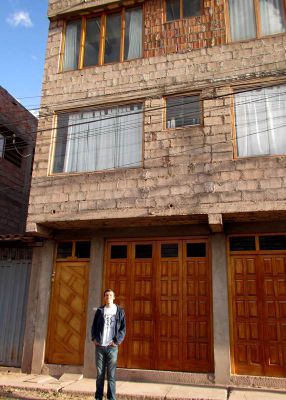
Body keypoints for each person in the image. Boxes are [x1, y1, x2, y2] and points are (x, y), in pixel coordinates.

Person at [91, 289, 126, 400]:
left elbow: (122, 329)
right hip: (100, 347)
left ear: (114, 297)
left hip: (112, 348)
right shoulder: (100, 310)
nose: (108, 297)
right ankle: (98, 398)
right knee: (100, 375)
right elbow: (94, 326)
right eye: (106, 295)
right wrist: (94, 338)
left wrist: (116, 341)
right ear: (104, 298)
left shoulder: (119, 311)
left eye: (110, 295)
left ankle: (111, 398)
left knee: (111, 375)